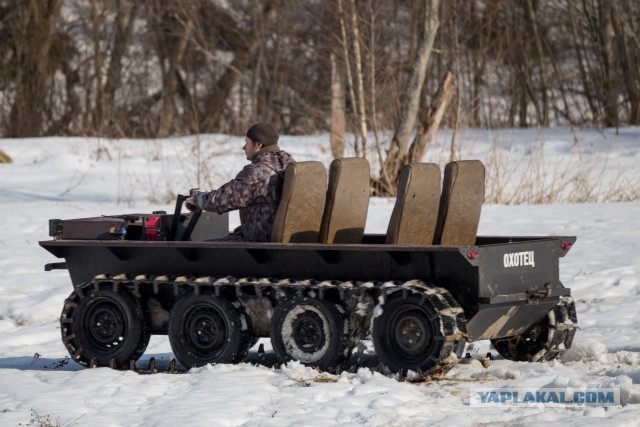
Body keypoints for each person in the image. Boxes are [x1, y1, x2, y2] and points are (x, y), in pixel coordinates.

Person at [185, 123, 295, 242]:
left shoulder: (257, 171)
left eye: (247, 142)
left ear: (258, 144)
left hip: (259, 243)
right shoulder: (290, 164)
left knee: (200, 249)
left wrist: (197, 200)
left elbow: (223, 199)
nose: (244, 147)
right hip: (280, 235)